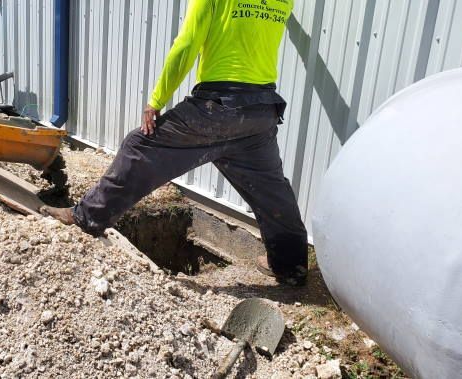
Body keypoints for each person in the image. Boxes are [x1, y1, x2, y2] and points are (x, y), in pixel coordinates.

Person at [41, 0, 308, 286]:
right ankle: (290, 266)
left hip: (217, 108)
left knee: (139, 147)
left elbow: (186, 45)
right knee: (272, 189)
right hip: (260, 112)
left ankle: (85, 217)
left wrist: (156, 101)